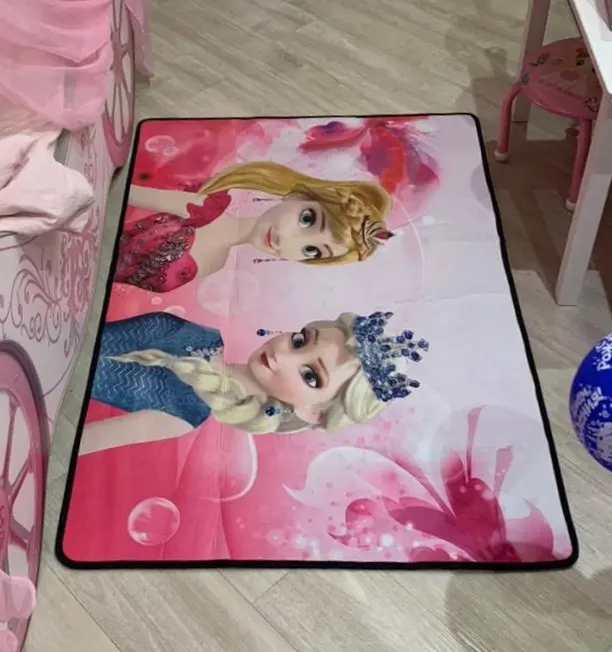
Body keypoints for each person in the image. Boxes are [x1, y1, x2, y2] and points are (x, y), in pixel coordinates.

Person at [80, 310, 428, 454]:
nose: (282, 356)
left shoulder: (184, 411)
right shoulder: (200, 334)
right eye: (299, 341)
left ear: (314, 413)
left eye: (310, 375)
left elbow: (82, 441)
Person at [115, 161, 394, 293]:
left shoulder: (217, 265)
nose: (286, 240)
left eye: (311, 250)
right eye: (307, 219)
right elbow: (119, 191)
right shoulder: (204, 207)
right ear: (297, 196)